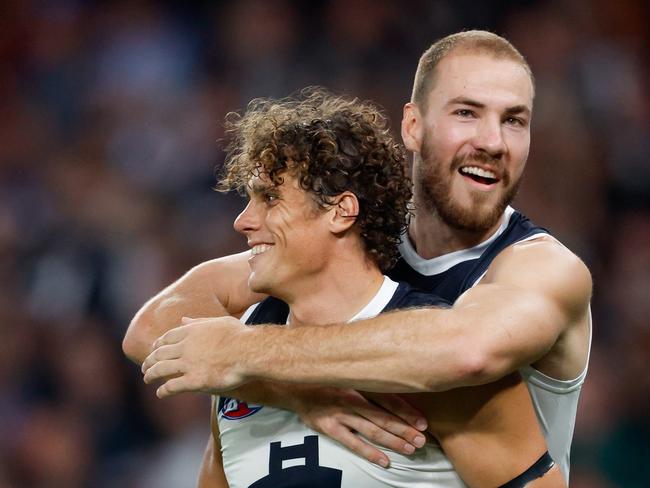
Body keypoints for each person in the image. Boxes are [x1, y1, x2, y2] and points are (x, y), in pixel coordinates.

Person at [130, 30, 592, 481]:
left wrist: (238, 351)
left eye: (514, 120)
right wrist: (296, 393)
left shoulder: (544, 267)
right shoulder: (347, 241)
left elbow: (465, 352)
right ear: (413, 125)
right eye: (467, 113)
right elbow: (155, 326)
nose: (493, 141)